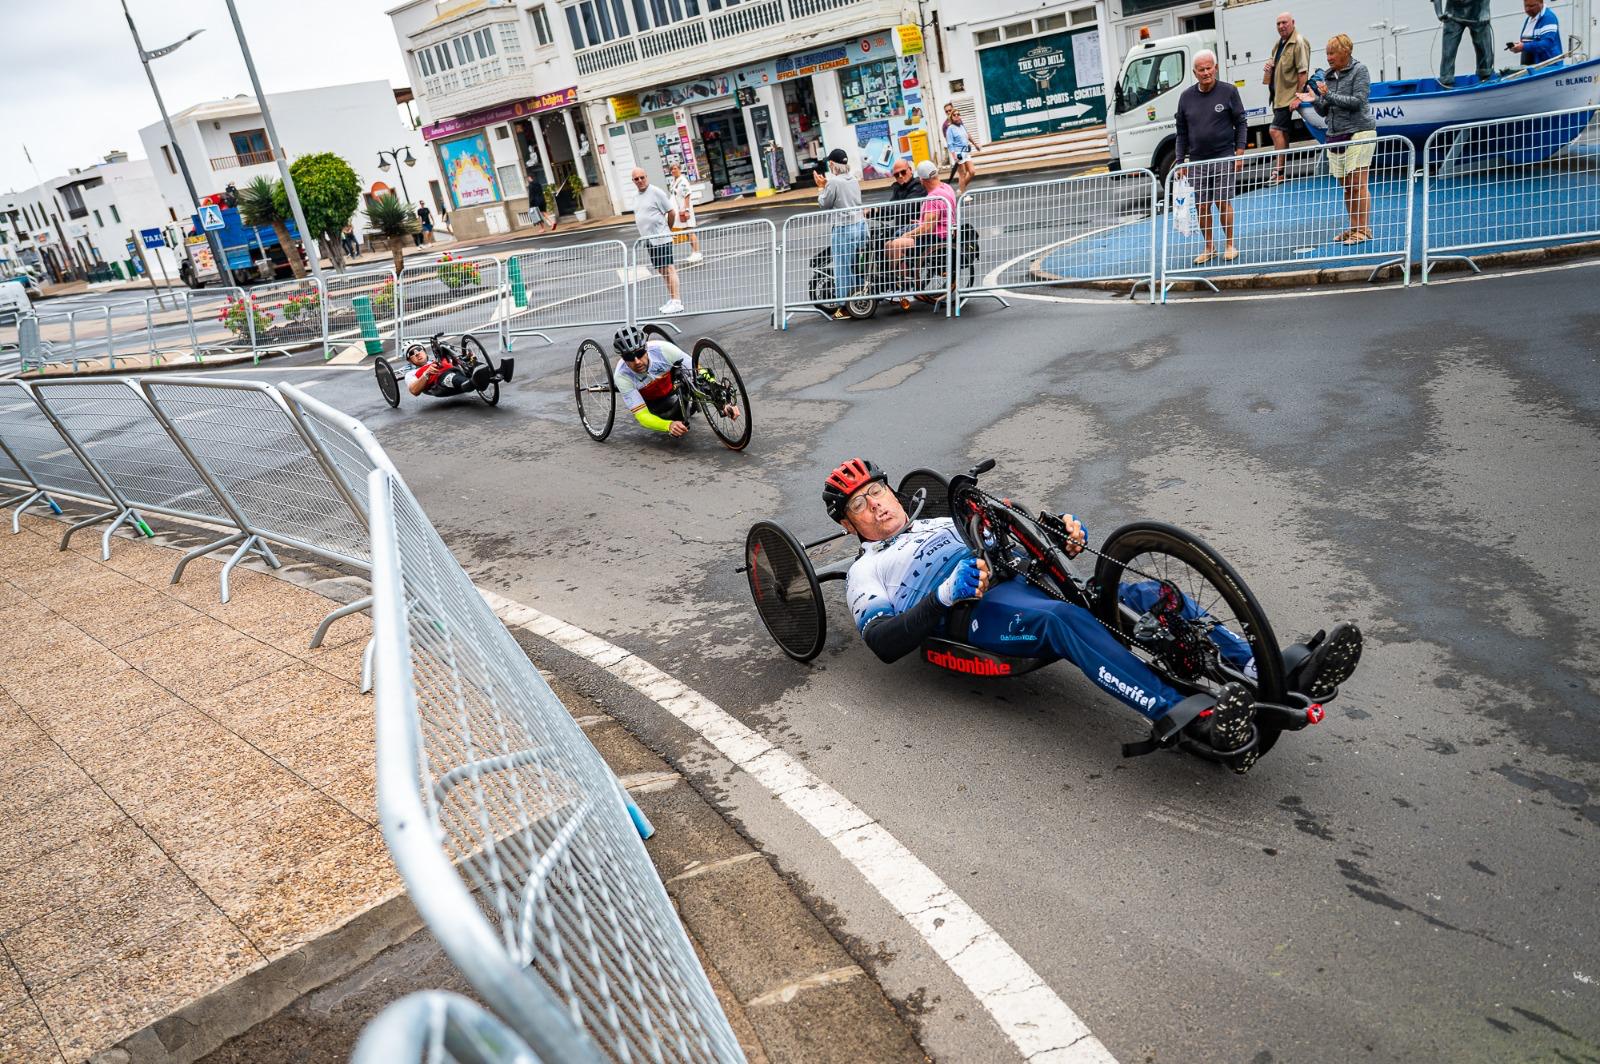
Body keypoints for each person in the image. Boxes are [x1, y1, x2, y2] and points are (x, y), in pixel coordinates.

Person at [823, 458, 1364, 774]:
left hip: (1019, 581)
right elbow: (884, 642)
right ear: (850, 527)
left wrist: (1056, 534)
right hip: (973, 620)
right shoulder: (865, 572)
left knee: (1157, 597)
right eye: (861, 507)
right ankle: (1189, 716)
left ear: (893, 489)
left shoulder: (939, 520)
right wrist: (941, 595)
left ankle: (1270, 670)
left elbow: (1010, 534)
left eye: (877, 492)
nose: (877, 506)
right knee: (1064, 621)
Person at [1299, 35, 1377, 246]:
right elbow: (1325, 110)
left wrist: (1329, 95)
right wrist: (1315, 100)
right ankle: (1354, 228)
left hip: (1359, 133)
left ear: (1346, 52)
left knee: (1358, 184)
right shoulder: (1327, 75)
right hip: (1335, 134)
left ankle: (1363, 229)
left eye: (1332, 53)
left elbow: (1358, 102)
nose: (1328, 57)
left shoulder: (1360, 70)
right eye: (1327, 53)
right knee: (1347, 187)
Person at [1174, 49, 1247, 265]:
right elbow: (1181, 133)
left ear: (1215, 68)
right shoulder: (1185, 97)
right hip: (1197, 160)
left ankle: (1230, 244)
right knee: (1202, 205)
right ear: (1194, 72)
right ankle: (1209, 247)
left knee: (1222, 201)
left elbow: (1241, 122)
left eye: (1209, 68)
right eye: (1201, 69)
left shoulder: (1229, 91)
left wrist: (1239, 153)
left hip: (1224, 156)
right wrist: (1180, 161)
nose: (1206, 73)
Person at [610, 326, 740, 437]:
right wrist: (668, 425)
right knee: (675, 417)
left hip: (674, 388)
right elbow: (642, 415)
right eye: (629, 357)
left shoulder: (664, 350)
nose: (637, 361)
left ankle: (690, 402)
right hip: (655, 405)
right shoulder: (622, 376)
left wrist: (724, 402)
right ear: (623, 358)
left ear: (646, 348)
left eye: (639, 353)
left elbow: (699, 372)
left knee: (692, 375)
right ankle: (676, 414)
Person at [885, 160, 957, 309]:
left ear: (922, 180)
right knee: (889, 244)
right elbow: (936, 219)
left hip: (934, 239)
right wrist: (919, 221)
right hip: (943, 234)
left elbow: (928, 227)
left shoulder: (933, 197)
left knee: (894, 245)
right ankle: (904, 280)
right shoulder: (946, 187)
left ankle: (903, 286)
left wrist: (909, 233)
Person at [815, 147, 865, 320]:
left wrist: (821, 187)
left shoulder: (835, 182)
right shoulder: (853, 179)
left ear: (833, 165)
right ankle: (860, 298)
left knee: (843, 268)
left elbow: (824, 203)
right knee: (858, 265)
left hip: (844, 228)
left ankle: (844, 306)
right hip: (860, 225)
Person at [1264, 11, 1311, 184]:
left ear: (1293, 22)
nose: (1281, 26)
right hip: (1278, 96)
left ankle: (1279, 172)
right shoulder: (1279, 44)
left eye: (1284, 22)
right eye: (1278, 24)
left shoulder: (1298, 42)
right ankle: (1281, 173)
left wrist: (1298, 97)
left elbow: (1303, 72)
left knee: (1275, 130)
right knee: (1282, 132)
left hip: (1288, 96)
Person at [631, 168, 683, 315]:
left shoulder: (656, 192)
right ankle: (672, 299)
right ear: (633, 181)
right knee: (661, 270)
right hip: (649, 240)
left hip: (661, 237)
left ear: (647, 177)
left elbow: (671, 212)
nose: (640, 181)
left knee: (669, 268)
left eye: (642, 177)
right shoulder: (635, 197)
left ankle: (677, 301)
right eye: (637, 179)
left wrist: (668, 229)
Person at [403, 341, 495, 398]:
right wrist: (426, 373)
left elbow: (454, 363)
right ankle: (471, 383)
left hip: (456, 370)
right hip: (440, 383)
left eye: (419, 349)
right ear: (409, 360)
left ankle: (497, 373)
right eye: (412, 353)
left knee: (467, 364)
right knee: (449, 376)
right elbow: (414, 390)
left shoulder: (436, 359)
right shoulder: (411, 373)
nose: (417, 354)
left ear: (424, 351)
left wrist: (467, 358)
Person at [1438, 0, 1494, 89]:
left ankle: (1486, 78)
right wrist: (1439, 13)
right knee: (1448, 51)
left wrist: (1485, 10)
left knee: (1484, 48)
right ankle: (1446, 83)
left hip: (1477, 11)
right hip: (1453, 13)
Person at [667, 160, 702, 264]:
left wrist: (686, 210)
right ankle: (694, 252)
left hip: (684, 209)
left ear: (679, 169)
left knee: (690, 231)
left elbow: (687, 195)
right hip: (679, 209)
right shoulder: (674, 181)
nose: (673, 170)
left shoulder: (682, 181)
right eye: (671, 169)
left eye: (675, 168)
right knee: (687, 232)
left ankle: (697, 253)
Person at [1509, 0, 1562, 65]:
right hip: (1530, 67)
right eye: (1526, 6)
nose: (1527, 9)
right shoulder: (1529, 19)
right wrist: (1517, 46)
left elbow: (1546, 44)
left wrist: (1523, 47)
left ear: (1541, 3)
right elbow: (1526, 41)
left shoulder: (1548, 18)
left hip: (1547, 67)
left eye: (1531, 6)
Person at [945, 108, 977, 195]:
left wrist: (975, 144)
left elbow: (967, 136)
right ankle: (964, 194)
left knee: (972, 171)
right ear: (951, 117)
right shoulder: (950, 129)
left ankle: (961, 189)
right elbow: (950, 144)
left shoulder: (962, 126)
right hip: (958, 153)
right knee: (962, 174)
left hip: (966, 152)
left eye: (958, 114)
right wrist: (954, 156)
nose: (957, 116)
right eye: (954, 115)